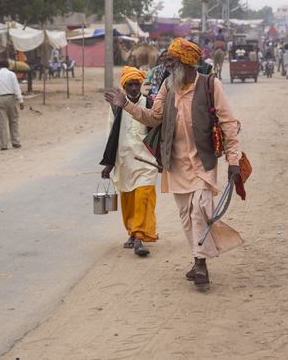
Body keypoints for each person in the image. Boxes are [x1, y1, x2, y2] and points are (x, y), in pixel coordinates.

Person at [104, 38, 243, 287]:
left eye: (172, 60)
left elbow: (229, 125)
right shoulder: (169, 86)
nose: (167, 65)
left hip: (204, 162)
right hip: (175, 164)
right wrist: (125, 105)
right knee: (186, 216)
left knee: (200, 209)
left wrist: (233, 161)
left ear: (187, 63)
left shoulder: (212, 85)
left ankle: (201, 265)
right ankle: (197, 258)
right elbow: (154, 117)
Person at [101, 66, 158, 257]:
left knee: (142, 197)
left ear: (141, 85)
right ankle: (132, 232)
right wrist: (108, 163)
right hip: (124, 160)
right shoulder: (115, 107)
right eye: (130, 84)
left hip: (147, 162)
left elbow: (160, 131)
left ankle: (139, 237)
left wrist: (163, 159)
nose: (134, 88)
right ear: (124, 86)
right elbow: (111, 134)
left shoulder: (150, 104)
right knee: (128, 200)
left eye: (137, 84)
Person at [0, 58, 24, 150]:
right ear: (8, 65)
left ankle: (4, 145)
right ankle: (15, 142)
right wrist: (20, 100)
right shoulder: (11, 74)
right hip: (10, 98)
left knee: (2, 122)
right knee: (13, 121)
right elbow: (16, 88)